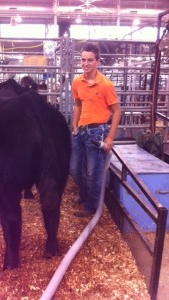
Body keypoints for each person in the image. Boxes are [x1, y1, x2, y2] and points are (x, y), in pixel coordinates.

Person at [70, 43, 121, 217]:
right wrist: (74, 125)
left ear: (97, 61)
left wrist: (110, 138)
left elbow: (117, 111)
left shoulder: (105, 85)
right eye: (83, 60)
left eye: (90, 60)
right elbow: (77, 103)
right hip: (81, 131)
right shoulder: (77, 81)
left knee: (93, 172)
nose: (86, 63)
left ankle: (90, 205)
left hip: (97, 131)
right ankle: (84, 196)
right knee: (75, 168)